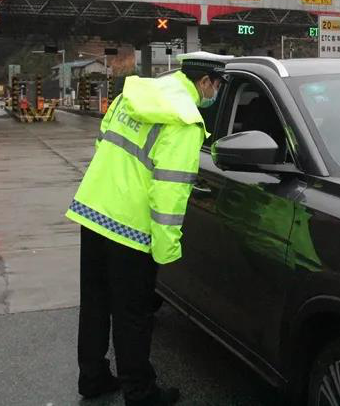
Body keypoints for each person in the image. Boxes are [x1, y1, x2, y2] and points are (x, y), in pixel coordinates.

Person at [65, 52, 228, 406]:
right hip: (130, 228)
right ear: (204, 81)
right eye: (217, 85)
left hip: (93, 210)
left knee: (95, 303)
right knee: (133, 314)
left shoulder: (132, 95)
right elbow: (170, 190)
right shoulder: (184, 120)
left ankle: (92, 377)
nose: (215, 93)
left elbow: (102, 142)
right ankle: (140, 393)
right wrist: (166, 250)